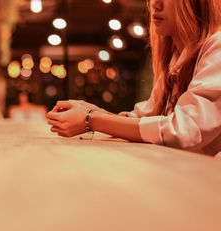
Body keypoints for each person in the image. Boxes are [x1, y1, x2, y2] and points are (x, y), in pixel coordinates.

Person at [47, 0, 221, 157]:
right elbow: (143, 117)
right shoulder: (176, 59)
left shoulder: (217, 47)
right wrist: (94, 111)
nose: (155, 4)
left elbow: (184, 131)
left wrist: (91, 119)